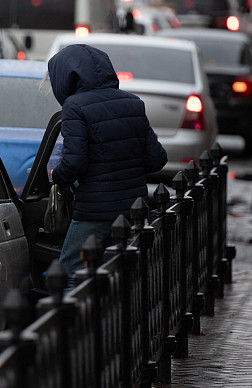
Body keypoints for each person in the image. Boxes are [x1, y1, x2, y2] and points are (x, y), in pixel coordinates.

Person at [47, 44, 167, 288]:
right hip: (133, 209)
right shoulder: (133, 103)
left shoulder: (74, 107)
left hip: (94, 210)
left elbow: (74, 163)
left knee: (70, 273)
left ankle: (76, 326)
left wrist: (55, 176)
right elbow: (157, 159)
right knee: (120, 273)